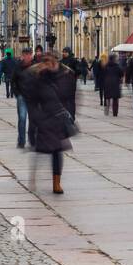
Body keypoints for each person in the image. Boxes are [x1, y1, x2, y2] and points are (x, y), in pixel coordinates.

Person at [17, 50, 78, 195]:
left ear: (56, 61)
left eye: (52, 61)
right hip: (42, 117)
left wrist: (71, 115)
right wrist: (35, 117)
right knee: (39, 149)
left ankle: (56, 183)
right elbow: (29, 95)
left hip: (58, 117)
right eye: (46, 62)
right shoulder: (35, 75)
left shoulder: (66, 74)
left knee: (57, 151)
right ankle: (33, 178)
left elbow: (72, 96)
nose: (49, 64)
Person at [11, 47, 34, 148]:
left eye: (29, 55)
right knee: (22, 118)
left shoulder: (36, 66)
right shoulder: (18, 67)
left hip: (34, 97)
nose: (27, 57)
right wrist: (17, 93)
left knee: (34, 120)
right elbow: (13, 81)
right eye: (25, 55)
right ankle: (21, 141)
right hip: (22, 97)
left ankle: (32, 140)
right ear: (23, 56)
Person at [101, 51, 124, 117]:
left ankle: (107, 110)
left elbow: (103, 75)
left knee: (107, 97)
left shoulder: (105, 66)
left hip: (107, 83)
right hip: (115, 83)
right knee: (115, 99)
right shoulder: (117, 67)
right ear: (114, 59)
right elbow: (121, 74)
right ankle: (115, 113)